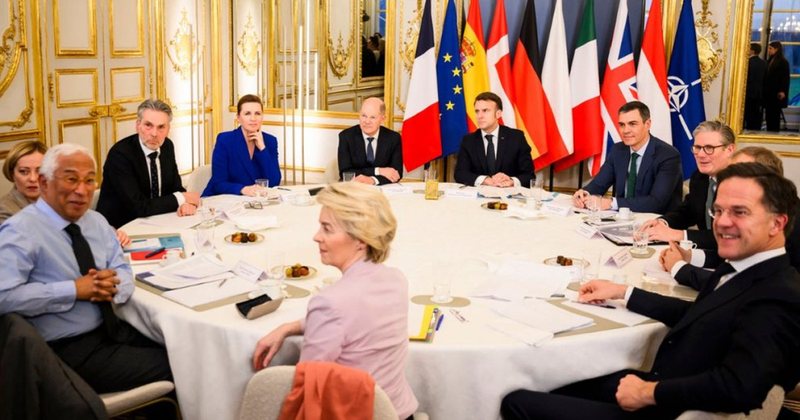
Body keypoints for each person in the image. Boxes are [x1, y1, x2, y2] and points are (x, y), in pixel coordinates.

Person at [502, 162, 800, 419]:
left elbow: (740, 387)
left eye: (740, 212)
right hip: (666, 383)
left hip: (668, 407)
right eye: (718, 210)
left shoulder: (778, 295)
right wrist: (624, 292)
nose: (721, 222)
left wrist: (649, 392)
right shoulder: (742, 266)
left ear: (777, 223)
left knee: (515, 402)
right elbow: (701, 314)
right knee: (550, 379)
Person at [0, 143, 172, 393]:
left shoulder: (96, 222)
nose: (81, 190)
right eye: (71, 179)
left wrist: (112, 286)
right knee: (179, 365)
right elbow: (4, 296)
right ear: (45, 183)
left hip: (115, 327)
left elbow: (122, 268)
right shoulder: (20, 230)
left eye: (89, 180)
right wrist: (73, 290)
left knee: (185, 348)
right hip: (63, 348)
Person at [252, 182, 418, 419]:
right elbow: (354, 320)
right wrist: (290, 327)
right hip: (399, 412)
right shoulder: (396, 280)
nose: (316, 237)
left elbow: (308, 390)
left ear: (361, 239)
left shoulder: (330, 302)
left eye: (327, 229)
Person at [661, 148, 800, 289]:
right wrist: (689, 256)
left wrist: (679, 267)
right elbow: (730, 261)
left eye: (739, 173)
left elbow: (740, 285)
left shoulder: (789, 222)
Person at [97, 99, 200, 228]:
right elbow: (138, 207)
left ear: (168, 129)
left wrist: (186, 204)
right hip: (120, 228)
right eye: (148, 125)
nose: (154, 134)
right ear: (138, 125)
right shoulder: (120, 154)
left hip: (158, 221)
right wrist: (182, 198)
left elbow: (176, 188)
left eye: (161, 127)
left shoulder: (167, 146)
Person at [573, 101, 682, 213]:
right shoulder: (618, 150)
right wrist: (584, 193)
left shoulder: (668, 155)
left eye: (632, 124)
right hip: (622, 217)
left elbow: (656, 202)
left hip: (657, 219)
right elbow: (599, 184)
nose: (625, 130)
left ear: (647, 124)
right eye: (622, 125)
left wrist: (611, 203)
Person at [639, 121, 736, 249]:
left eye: (709, 148)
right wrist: (663, 222)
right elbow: (688, 212)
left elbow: (728, 236)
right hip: (705, 252)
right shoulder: (699, 177)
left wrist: (678, 235)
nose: (701, 154)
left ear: (729, 150)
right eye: (697, 147)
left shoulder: (741, 184)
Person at [202, 94, 281, 196]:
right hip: (223, 198)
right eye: (247, 113)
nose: (253, 118)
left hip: (254, 200)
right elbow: (218, 183)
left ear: (262, 117)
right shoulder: (225, 140)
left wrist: (262, 148)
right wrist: (243, 189)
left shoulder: (270, 141)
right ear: (238, 117)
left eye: (257, 113)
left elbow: (274, 181)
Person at [454, 91, 534, 187]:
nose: (479, 116)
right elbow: (460, 174)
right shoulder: (468, 140)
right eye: (477, 111)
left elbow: (529, 175)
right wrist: (485, 180)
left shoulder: (516, 138)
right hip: (479, 194)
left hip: (508, 194)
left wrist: (511, 181)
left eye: (485, 110)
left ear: (498, 114)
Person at [338, 97, 403, 185]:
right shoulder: (346, 136)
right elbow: (346, 173)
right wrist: (378, 171)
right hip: (354, 188)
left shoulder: (393, 138)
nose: (367, 121)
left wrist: (373, 180)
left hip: (382, 188)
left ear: (383, 119)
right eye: (364, 116)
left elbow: (396, 174)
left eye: (372, 117)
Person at [0, 140, 47, 224]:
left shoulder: (57, 199)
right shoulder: (5, 211)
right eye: (24, 171)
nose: (33, 179)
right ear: (12, 174)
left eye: (39, 171)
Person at [764, 41, 790, 132]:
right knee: (769, 114)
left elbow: (785, 78)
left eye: (770, 48)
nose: (768, 50)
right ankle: (770, 130)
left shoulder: (783, 62)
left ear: (776, 49)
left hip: (776, 92)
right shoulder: (770, 60)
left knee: (775, 114)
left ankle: (774, 131)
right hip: (769, 92)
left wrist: (782, 91)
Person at [744, 43, 767, 130]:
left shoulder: (748, 63)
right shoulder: (763, 63)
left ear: (752, 51)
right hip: (759, 92)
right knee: (756, 114)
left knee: (748, 113)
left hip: (748, 91)